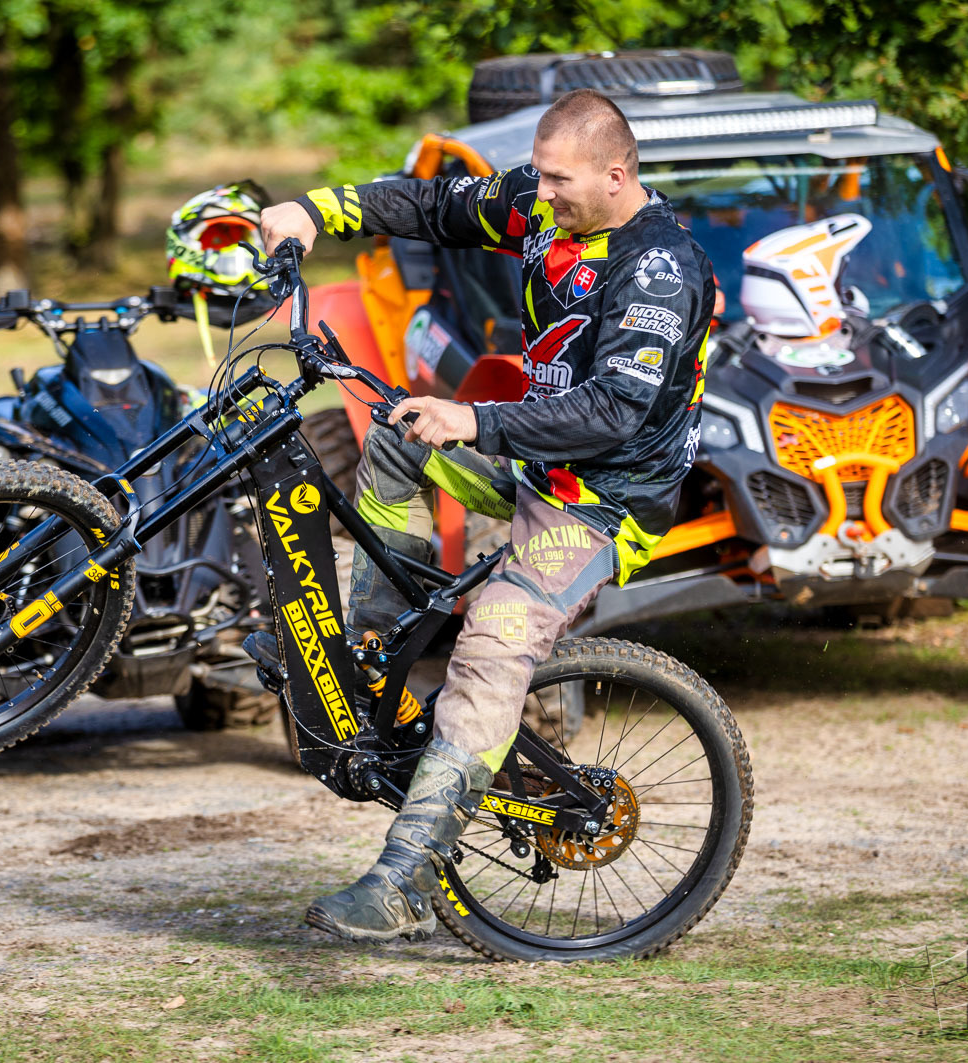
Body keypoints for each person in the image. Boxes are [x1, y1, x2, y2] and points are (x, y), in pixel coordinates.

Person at [258, 88, 715, 943]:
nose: (541, 193)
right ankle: (372, 657)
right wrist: (317, 210)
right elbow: (432, 205)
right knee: (394, 441)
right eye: (539, 176)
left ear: (615, 176)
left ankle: (406, 879)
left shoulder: (660, 269)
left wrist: (474, 419)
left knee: (490, 650)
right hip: (532, 461)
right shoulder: (543, 206)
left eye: (559, 180)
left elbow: (615, 411)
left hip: (600, 502)